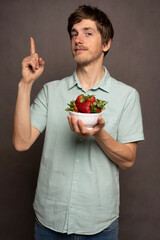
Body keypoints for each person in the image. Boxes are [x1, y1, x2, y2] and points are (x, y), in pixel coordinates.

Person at [12, 5, 144, 240]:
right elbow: (21, 143)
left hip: (100, 227)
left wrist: (99, 134)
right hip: (48, 223)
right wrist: (26, 84)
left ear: (106, 43)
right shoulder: (51, 92)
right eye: (74, 33)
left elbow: (128, 160)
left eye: (88, 32)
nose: (78, 39)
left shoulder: (127, 96)